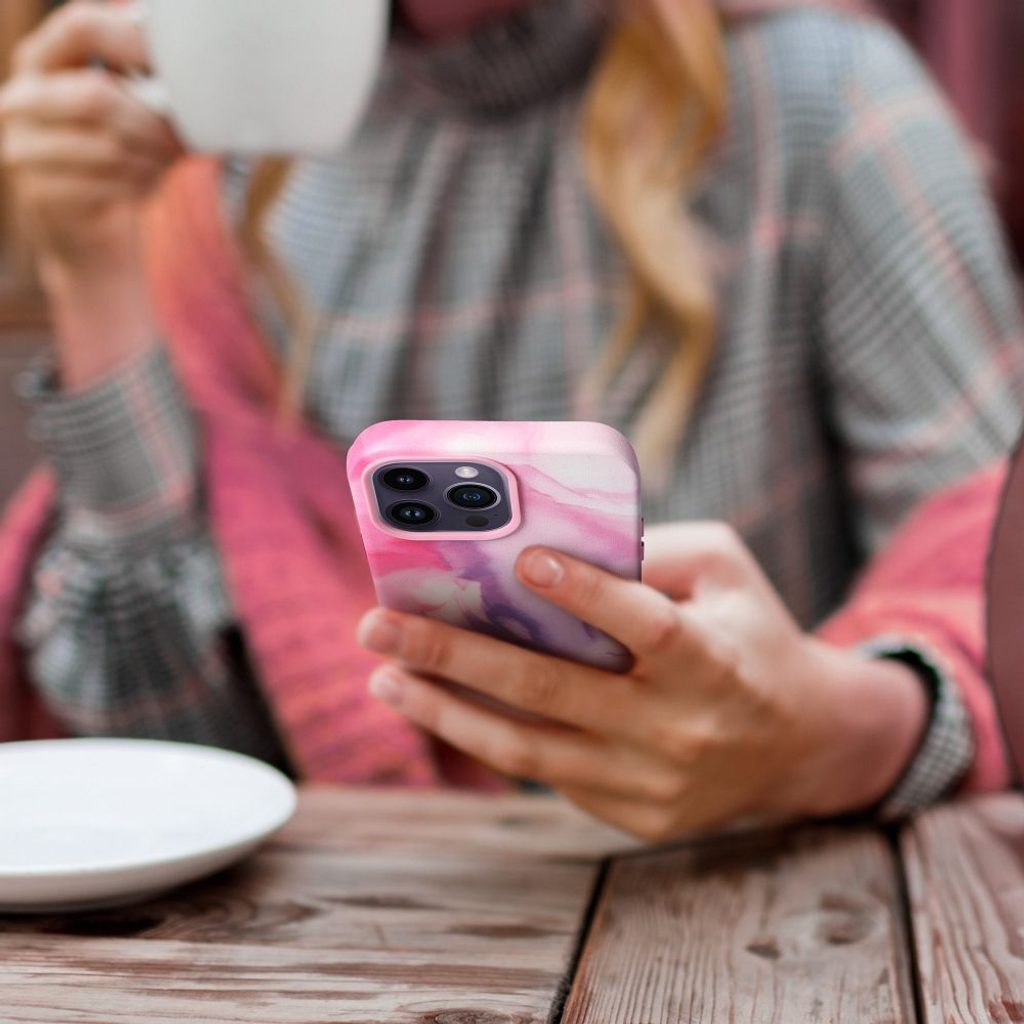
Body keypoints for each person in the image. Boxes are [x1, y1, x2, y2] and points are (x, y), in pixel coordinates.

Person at [0, 0, 1021, 841]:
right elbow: (167, 735)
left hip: (745, 923)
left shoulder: (823, 103)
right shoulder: (227, 167)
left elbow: (986, 596)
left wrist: (835, 734)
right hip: (351, 946)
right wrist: (95, 272)